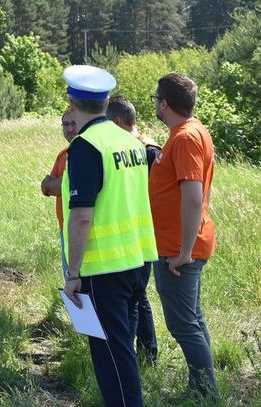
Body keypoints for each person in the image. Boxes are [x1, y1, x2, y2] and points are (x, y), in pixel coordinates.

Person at [61, 65, 158, 407]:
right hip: (137, 259)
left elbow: (82, 216)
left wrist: (73, 274)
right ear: (104, 103)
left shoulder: (86, 146)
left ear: (72, 102)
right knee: (122, 348)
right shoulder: (127, 139)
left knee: (112, 356)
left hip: (104, 269)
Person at [149, 73, 218, 400]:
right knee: (193, 320)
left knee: (183, 326)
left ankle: (207, 395)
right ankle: (201, 389)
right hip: (180, 244)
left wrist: (184, 252)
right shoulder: (187, 132)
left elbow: (192, 196)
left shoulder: (186, 137)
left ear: (164, 103)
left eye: (156, 100)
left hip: (179, 250)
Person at [106, 95, 159, 365]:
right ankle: (147, 354)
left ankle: (137, 357)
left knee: (134, 300)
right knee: (139, 297)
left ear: (116, 122)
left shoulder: (144, 150)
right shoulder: (145, 147)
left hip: (139, 236)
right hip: (142, 236)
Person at [41, 111, 79, 280]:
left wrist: (56, 184)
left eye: (73, 123)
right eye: (66, 124)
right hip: (64, 228)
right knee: (70, 280)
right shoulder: (63, 155)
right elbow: (47, 189)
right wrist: (52, 185)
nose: (70, 129)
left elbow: (60, 185)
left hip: (82, 228)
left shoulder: (88, 152)